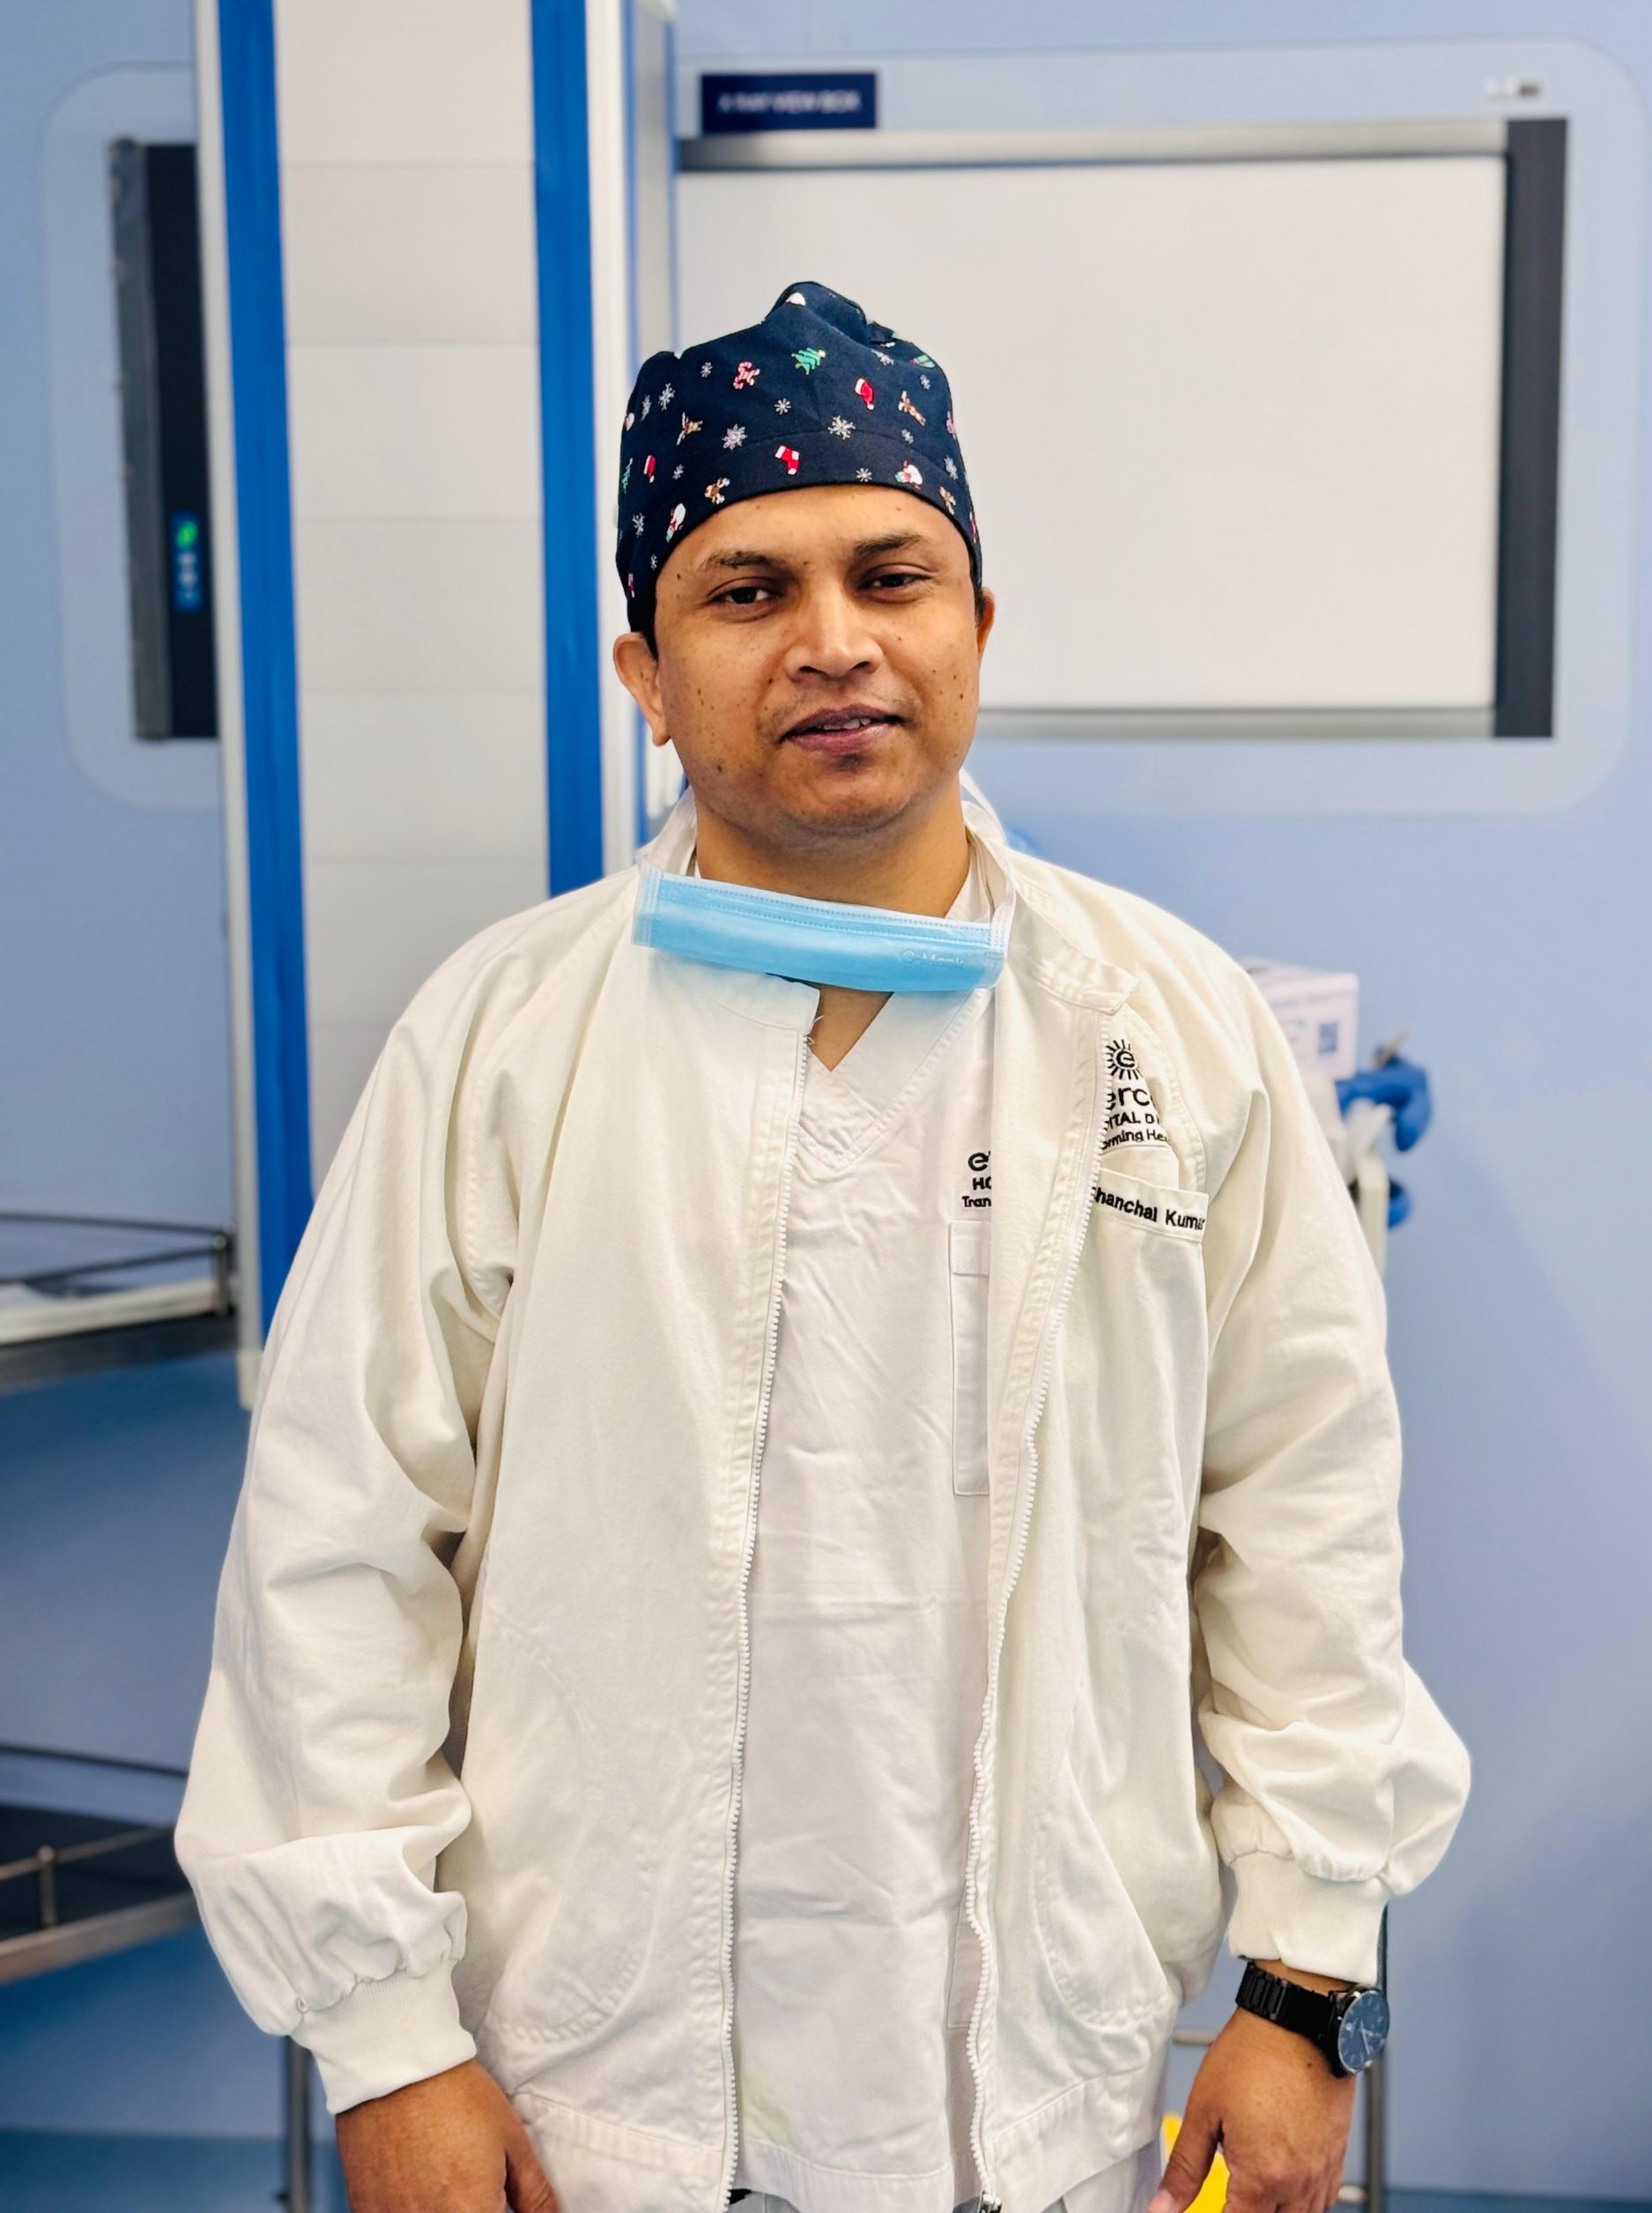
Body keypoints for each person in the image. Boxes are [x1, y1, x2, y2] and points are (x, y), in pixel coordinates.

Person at [175, 281, 1471, 2213]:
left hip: (1050, 2094)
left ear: (977, 628)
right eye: (748, 590)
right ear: (646, 669)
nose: (834, 641)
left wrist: (1302, 1984)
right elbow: (337, 1550)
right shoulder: (504, 1042)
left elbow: (1304, 1526)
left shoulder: (1166, 1029)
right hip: (590, 2102)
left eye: (890, 575)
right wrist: (387, 2045)